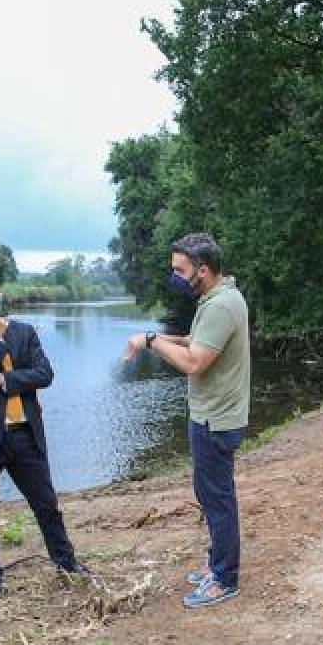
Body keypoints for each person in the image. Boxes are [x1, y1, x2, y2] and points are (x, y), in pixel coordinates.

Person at [123, 232, 251, 609]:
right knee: (210, 494)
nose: (175, 277)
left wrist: (149, 341)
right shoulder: (216, 298)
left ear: (203, 269)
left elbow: (194, 362)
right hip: (210, 415)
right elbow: (194, 342)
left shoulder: (220, 306)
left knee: (217, 498)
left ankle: (225, 578)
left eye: (180, 270)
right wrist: (158, 338)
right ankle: (218, 564)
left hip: (216, 418)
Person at [0, 273, 86, 596]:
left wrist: (4, 382)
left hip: (24, 432)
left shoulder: (23, 331)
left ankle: (66, 562)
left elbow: (44, 374)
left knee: (47, 504)